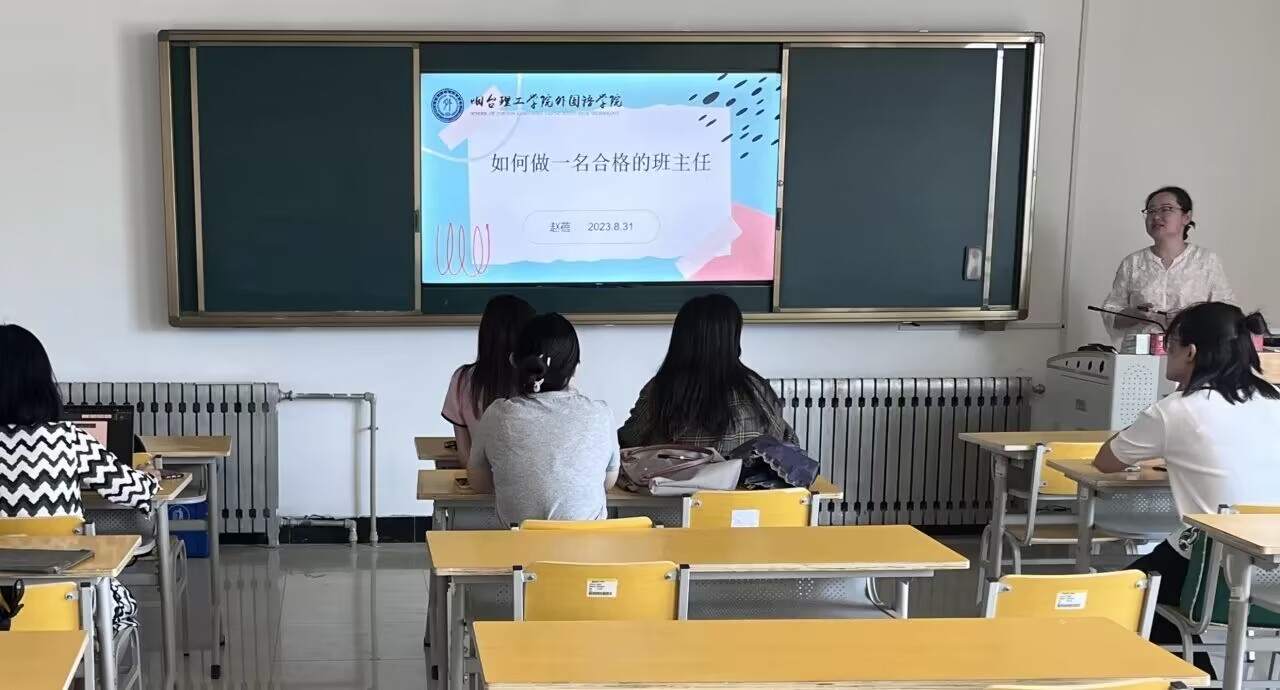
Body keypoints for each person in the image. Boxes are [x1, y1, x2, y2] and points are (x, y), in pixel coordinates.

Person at [1093, 302, 1280, 677]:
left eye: (1170, 344)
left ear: (1190, 352)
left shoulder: (1178, 409)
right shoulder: (1274, 400)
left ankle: (1197, 679)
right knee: (1156, 601)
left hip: (1218, 567)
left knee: (1117, 603)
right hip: (1272, 563)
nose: (1167, 353)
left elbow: (1106, 460)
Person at [0, 324, 160, 632]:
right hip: (70, 604)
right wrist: (148, 477)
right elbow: (133, 492)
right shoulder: (68, 438)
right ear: (41, 382)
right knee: (121, 604)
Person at [466, 313, 619, 525]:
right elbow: (609, 481)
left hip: (519, 545)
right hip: (589, 545)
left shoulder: (497, 414)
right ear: (576, 367)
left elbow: (479, 484)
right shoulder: (601, 414)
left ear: (514, 361)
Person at [618, 294, 796, 454]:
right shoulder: (757, 389)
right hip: (744, 481)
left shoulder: (661, 388)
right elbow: (785, 443)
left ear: (681, 339)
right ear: (732, 338)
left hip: (674, 479)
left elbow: (627, 441)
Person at [1101, 186, 1234, 343]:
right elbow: (1111, 313)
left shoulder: (1206, 260)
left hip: (1191, 351)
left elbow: (1227, 315)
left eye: (1166, 209)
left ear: (1186, 217)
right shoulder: (1133, 262)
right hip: (1138, 353)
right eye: (1151, 211)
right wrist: (1133, 315)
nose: (1156, 216)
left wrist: (1188, 319)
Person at [441, 295, 535, 465]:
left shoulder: (462, 379)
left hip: (481, 478)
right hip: (528, 479)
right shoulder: (538, 383)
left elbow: (465, 455)